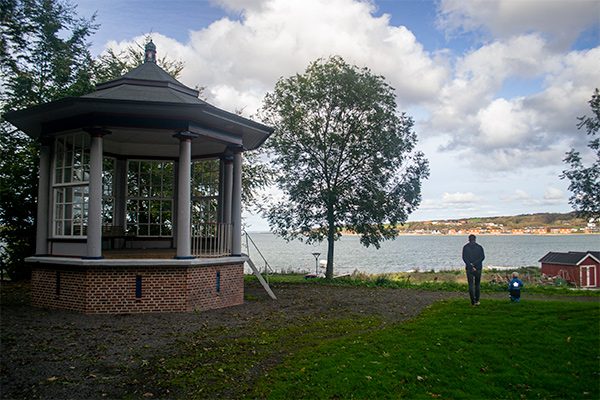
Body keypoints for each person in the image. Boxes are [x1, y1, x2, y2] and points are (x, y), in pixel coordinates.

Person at [462, 234, 485, 306]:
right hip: (478, 268)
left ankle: (472, 301)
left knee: (471, 285)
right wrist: (475, 264)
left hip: (469, 268)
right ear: (475, 239)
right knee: (477, 285)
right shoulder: (479, 247)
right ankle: (477, 300)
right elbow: (482, 257)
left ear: (469, 239)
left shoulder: (465, 247)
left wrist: (471, 265)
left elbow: (464, 258)